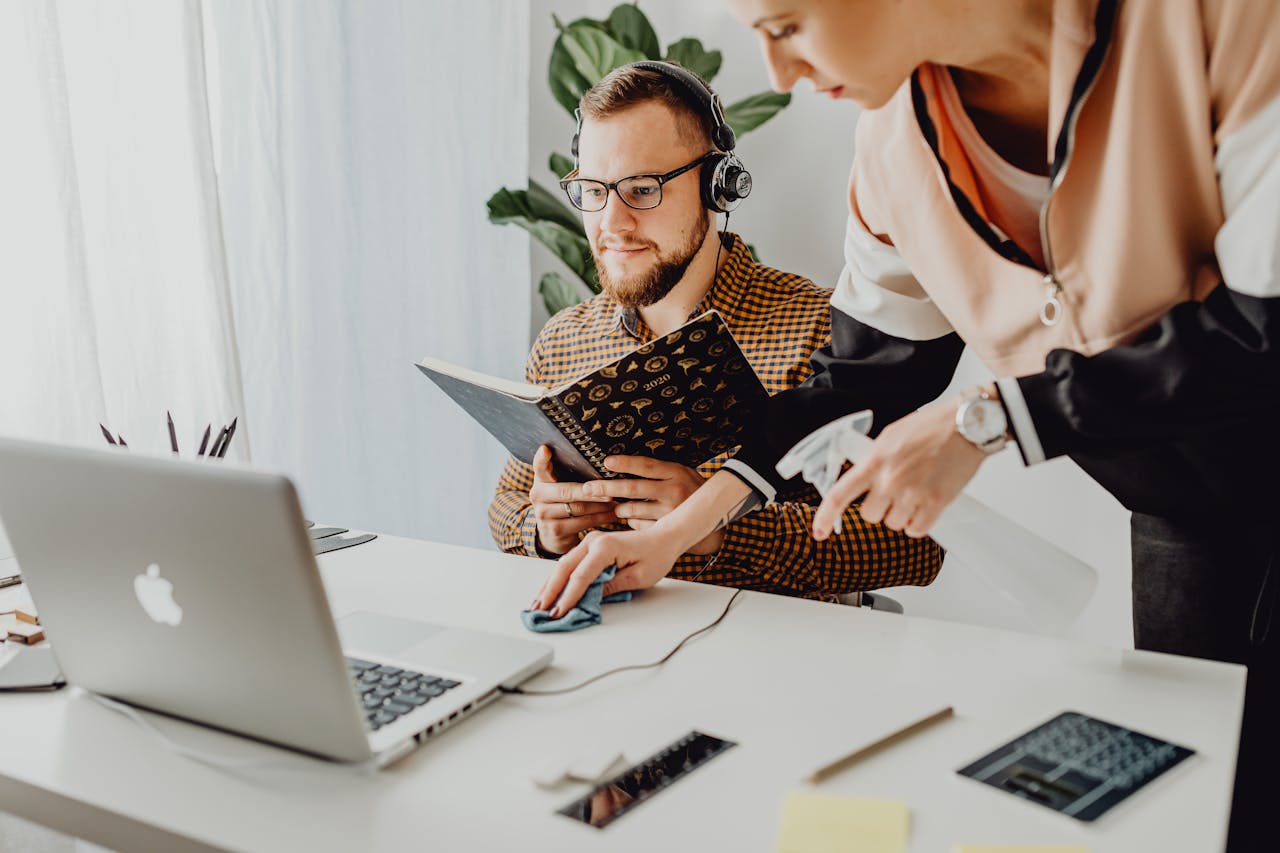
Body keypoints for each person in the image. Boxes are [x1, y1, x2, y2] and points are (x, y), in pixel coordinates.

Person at [532, 3, 1280, 848]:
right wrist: (677, 531)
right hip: (1184, 515)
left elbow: (1264, 333)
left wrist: (988, 418)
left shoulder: (1222, 24)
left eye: (786, 26)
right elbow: (863, 373)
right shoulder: (892, 147)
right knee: (1203, 810)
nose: (778, 74)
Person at [490, 61, 942, 602]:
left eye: (641, 188)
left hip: (769, 668)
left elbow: (911, 545)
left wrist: (718, 528)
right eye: (592, 189)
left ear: (716, 184)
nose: (611, 223)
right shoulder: (564, 340)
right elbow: (506, 509)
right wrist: (543, 531)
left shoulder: (827, 331)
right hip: (612, 655)